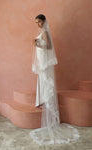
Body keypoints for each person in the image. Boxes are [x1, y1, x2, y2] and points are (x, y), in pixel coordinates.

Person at [30, 14, 80, 145]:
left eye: (39, 22)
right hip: (42, 64)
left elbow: (49, 47)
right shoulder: (42, 31)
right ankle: (46, 107)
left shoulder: (45, 32)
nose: (38, 24)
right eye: (36, 22)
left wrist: (37, 45)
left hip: (45, 65)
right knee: (45, 86)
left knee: (48, 85)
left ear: (44, 21)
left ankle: (50, 117)